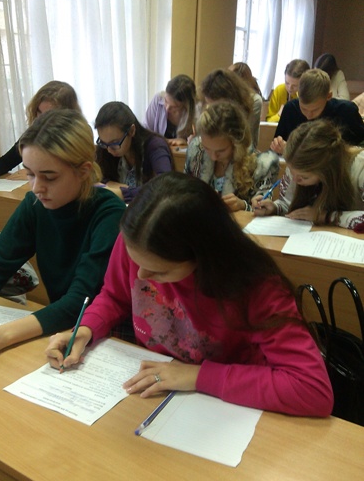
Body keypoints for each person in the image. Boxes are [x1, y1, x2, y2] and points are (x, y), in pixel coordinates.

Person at [45, 172, 333, 417]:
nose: (141, 275)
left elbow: (312, 389)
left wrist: (198, 376)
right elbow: (115, 295)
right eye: (136, 262)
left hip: (227, 407)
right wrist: (86, 329)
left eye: (159, 271)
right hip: (158, 390)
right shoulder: (138, 242)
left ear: (202, 258)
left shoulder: (257, 287)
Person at [0, 109, 126, 360]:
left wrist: (2, 335)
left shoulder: (109, 213)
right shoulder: (35, 204)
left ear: (84, 171)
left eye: (49, 177)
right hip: (60, 328)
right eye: (30, 174)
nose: (36, 187)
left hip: (102, 339)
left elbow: (79, 301)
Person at [253, 119, 364, 230]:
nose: (295, 180)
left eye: (304, 177)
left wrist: (326, 216)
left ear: (327, 169)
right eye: (291, 172)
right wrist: (274, 208)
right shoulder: (296, 165)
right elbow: (288, 204)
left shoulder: (360, 167)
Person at [184, 101, 279, 211]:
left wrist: (243, 206)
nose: (213, 157)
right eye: (207, 148)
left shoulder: (259, 166)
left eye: (221, 151)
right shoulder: (196, 152)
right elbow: (183, 193)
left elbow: (264, 209)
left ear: (237, 144)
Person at [0, 81, 81, 181]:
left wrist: (35, 174)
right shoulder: (34, 134)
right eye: (39, 112)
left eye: (48, 115)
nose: (41, 120)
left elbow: (78, 174)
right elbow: (7, 161)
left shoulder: (79, 136)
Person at [271, 69, 364, 155]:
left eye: (315, 110)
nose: (308, 115)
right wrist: (279, 145)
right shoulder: (290, 109)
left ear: (329, 96)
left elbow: (361, 146)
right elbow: (276, 146)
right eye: (304, 109)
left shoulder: (346, 111)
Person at [95, 101, 173, 204]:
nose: (109, 150)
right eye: (103, 143)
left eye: (115, 143)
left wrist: (124, 193)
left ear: (131, 131)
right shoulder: (106, 146)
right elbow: (99, 177)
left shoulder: (155, 146)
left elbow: (166, 184)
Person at [200, 68, 261, 149]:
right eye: (208, 104)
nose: (212, 111)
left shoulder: (251, 105)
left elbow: (245, 143)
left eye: (216, 106)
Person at [143, 74, 197, 149]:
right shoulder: (158, 99)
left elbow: (201, 143)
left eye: (174, 107)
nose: (167, 108)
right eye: (166, 101)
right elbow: (145, 132)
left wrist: (188, 142)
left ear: (185, 106)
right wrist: (164, 141)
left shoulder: (197, 111)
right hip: (157, 151)